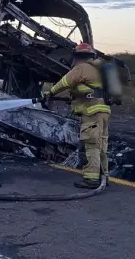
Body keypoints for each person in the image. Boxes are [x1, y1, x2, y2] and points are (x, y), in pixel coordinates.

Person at [44, 42, 110, 189]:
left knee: (91, 144)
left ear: (78, 56)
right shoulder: (98, 71)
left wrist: (50, 92)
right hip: (104, 111)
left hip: (92, 112)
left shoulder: (82, 68)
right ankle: (104, 176)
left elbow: (65, 82)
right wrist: (73, 99)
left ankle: (91, 179)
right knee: (101, 145)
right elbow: (87, 91)